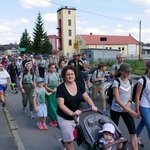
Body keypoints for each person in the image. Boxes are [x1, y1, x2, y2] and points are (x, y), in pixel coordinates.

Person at [56, 65, 98, 150]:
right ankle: (66, 142)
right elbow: (61, 105)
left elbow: (86, 97)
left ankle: (64, 141)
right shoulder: (61, 88)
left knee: (71, 136)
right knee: (70, 141)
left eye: (72, 74)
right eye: (68, 74)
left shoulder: (78, 85)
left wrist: (93, 105)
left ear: (75, 75)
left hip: (76, 116)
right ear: (64, 76)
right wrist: (72, 113)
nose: (70, 76)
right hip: (64, 117)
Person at [110, 63, 138, 150]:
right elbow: (117, 99)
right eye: (126, 72)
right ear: (121, 71)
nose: (128, 73)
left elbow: (130, 97)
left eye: (129, 72)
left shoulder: (130, 81)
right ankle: (113, 147)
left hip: (126, 109)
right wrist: (128, 109)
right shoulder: (116, 82)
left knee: (133, 132)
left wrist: (128, 106)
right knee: (113, 132)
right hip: (115, 110)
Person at [135, 60, 150, 148]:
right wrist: (137, 109)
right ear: (148, 68)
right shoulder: (142, 80)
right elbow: (137, 95)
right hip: (144, 106)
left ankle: (134, 137)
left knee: (142, 123)